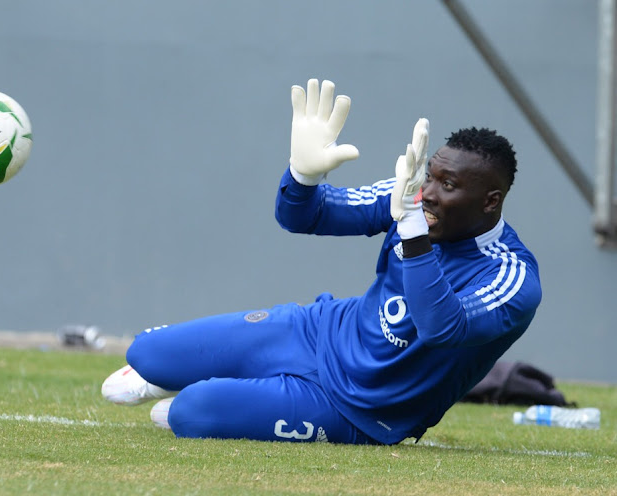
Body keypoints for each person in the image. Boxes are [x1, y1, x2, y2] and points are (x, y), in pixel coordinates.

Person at [101, 79, 542, 445]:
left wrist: (411, 226)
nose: (427, 192)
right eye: (430, 175)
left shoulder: (511, 277)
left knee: (191, 413)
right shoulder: (409, 196)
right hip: (318, 332)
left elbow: (441, 327)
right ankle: (178, 373)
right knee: (146, 352)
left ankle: (204, 392)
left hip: (364, 410)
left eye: (447, 184)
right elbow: (304, 216)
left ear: (490, 202)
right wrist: (303, 175)